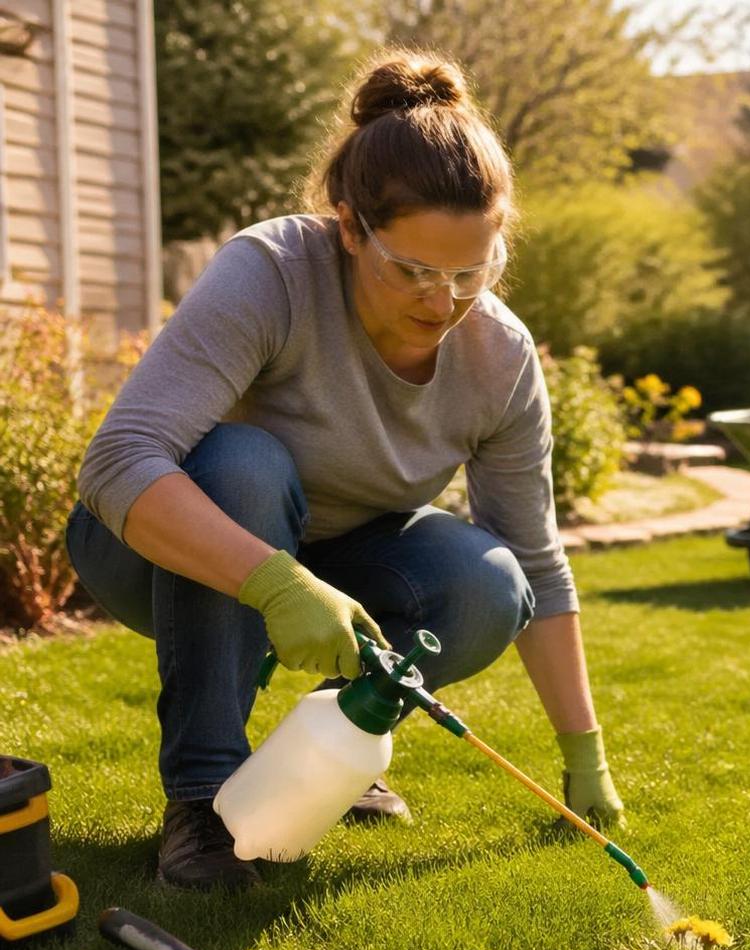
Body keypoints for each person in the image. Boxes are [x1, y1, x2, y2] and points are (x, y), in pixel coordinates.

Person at [65, 49, 625, 891]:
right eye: (414, 271)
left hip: (337, 563)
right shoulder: (273, 272)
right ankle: (204, 801)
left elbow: (538, 563)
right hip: (157, 550)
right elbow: (116, 464)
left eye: (472, 272)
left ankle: (326, 752)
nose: (443, 301)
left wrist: (585, 756)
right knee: (245, 462)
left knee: (490, 583)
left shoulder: (499, 357)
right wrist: (275, 583)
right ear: (351, 228)